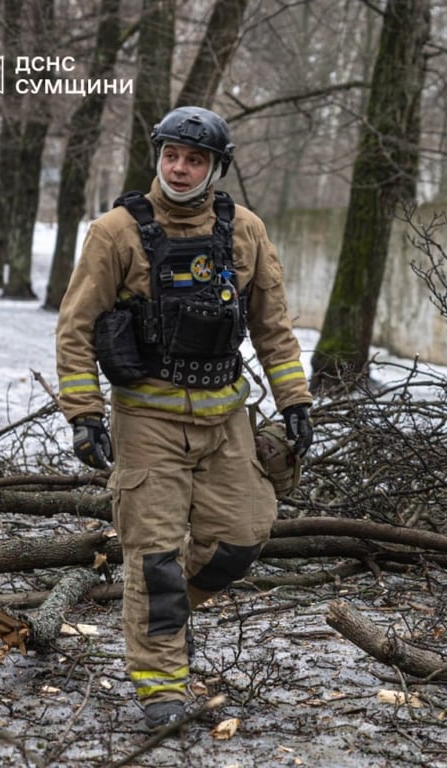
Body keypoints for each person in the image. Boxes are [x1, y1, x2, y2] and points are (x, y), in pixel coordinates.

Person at [54, 106, 313, 731]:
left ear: (216, 167)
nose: (179, 168)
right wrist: (84, 414)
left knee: (242, 538)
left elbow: (272, 326)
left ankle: (164, 617)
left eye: (195, 159)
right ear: (158, 156)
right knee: (156, 561)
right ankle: (162, 689)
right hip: (148, 422)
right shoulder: (116, 232)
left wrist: (295, 401)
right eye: (171, 155)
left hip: (226, 419)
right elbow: (75, 329)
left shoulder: (244, 230)